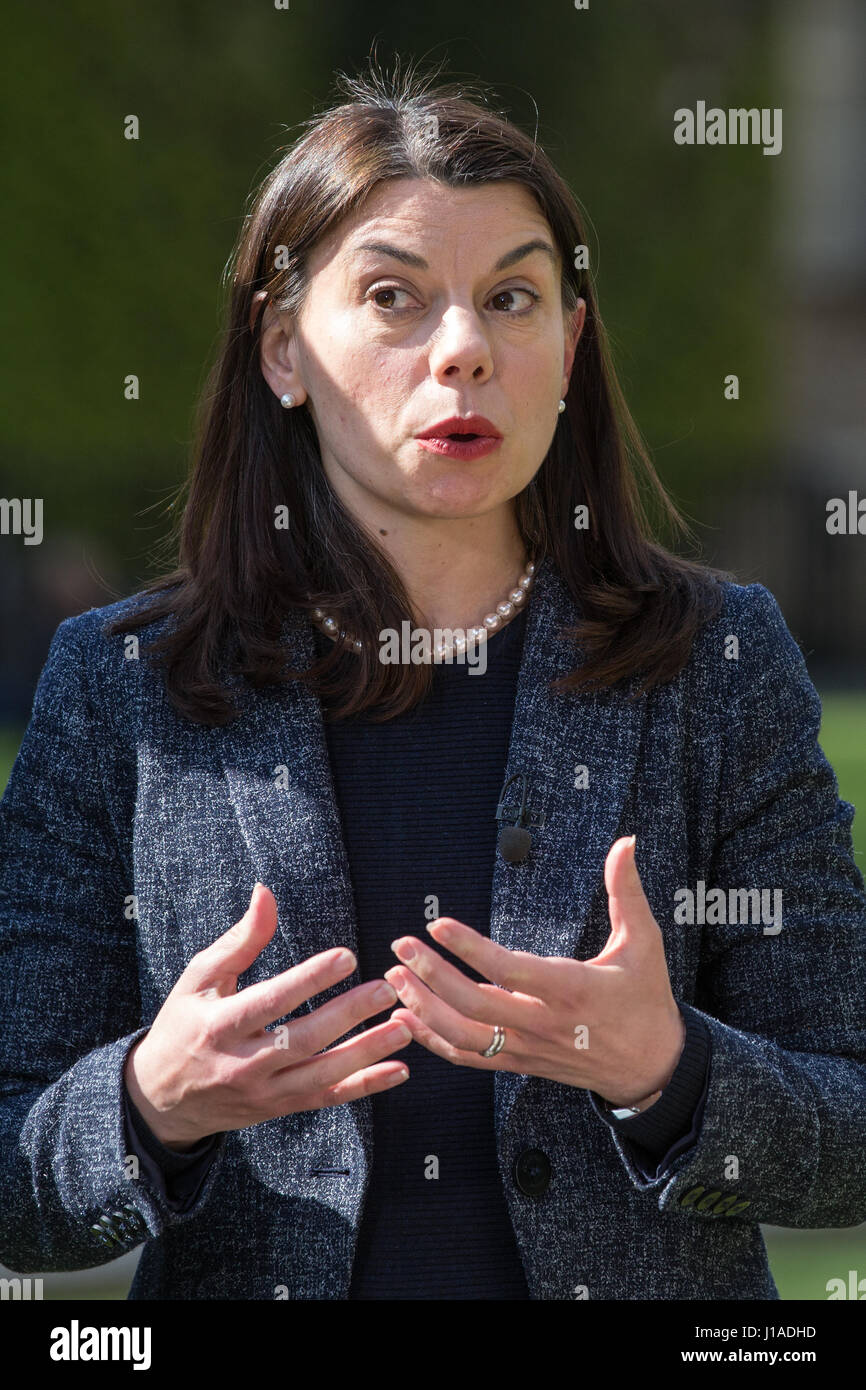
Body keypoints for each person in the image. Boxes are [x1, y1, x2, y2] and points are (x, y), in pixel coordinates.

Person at [1, 61, 864, 1302]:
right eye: (395, 298)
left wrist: (666, 1071)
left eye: (511, 298)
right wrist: (150, 1100)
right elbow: (14, 1181)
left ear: (567, 345)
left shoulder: (716, 663)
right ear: (281, 348)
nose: (461, 350)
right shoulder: (119, 686)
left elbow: (846, 1138)